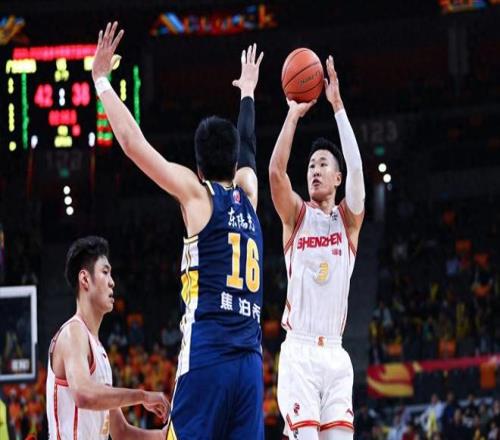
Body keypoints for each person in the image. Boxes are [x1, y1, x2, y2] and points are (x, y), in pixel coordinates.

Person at [92, 22, 264, 439]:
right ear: (234, 164)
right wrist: (247, 93)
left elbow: (133, 145)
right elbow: (248, 145)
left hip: (208, 356)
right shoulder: (249, 195)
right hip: (251, 365)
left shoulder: (197, 194)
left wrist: (101, 81)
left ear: (199, 168)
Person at [269, 55, 365, 440]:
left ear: (337, 178)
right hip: (300, 352)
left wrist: (337, 106)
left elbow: (358, 171)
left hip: (336, 356)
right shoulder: (296, 216)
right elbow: (276, 173)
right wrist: (292, 115)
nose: (314, 170)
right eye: (310, 166)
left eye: (323, 164)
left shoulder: (348, 222)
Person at [46, 236, 169, 439]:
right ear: (85, 279)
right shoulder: (73, 332)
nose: (112, 282)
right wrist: (142, 396)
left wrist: (164, 436)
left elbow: (121, 432)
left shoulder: (99, 350)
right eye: (105, 272)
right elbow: (84, 395)